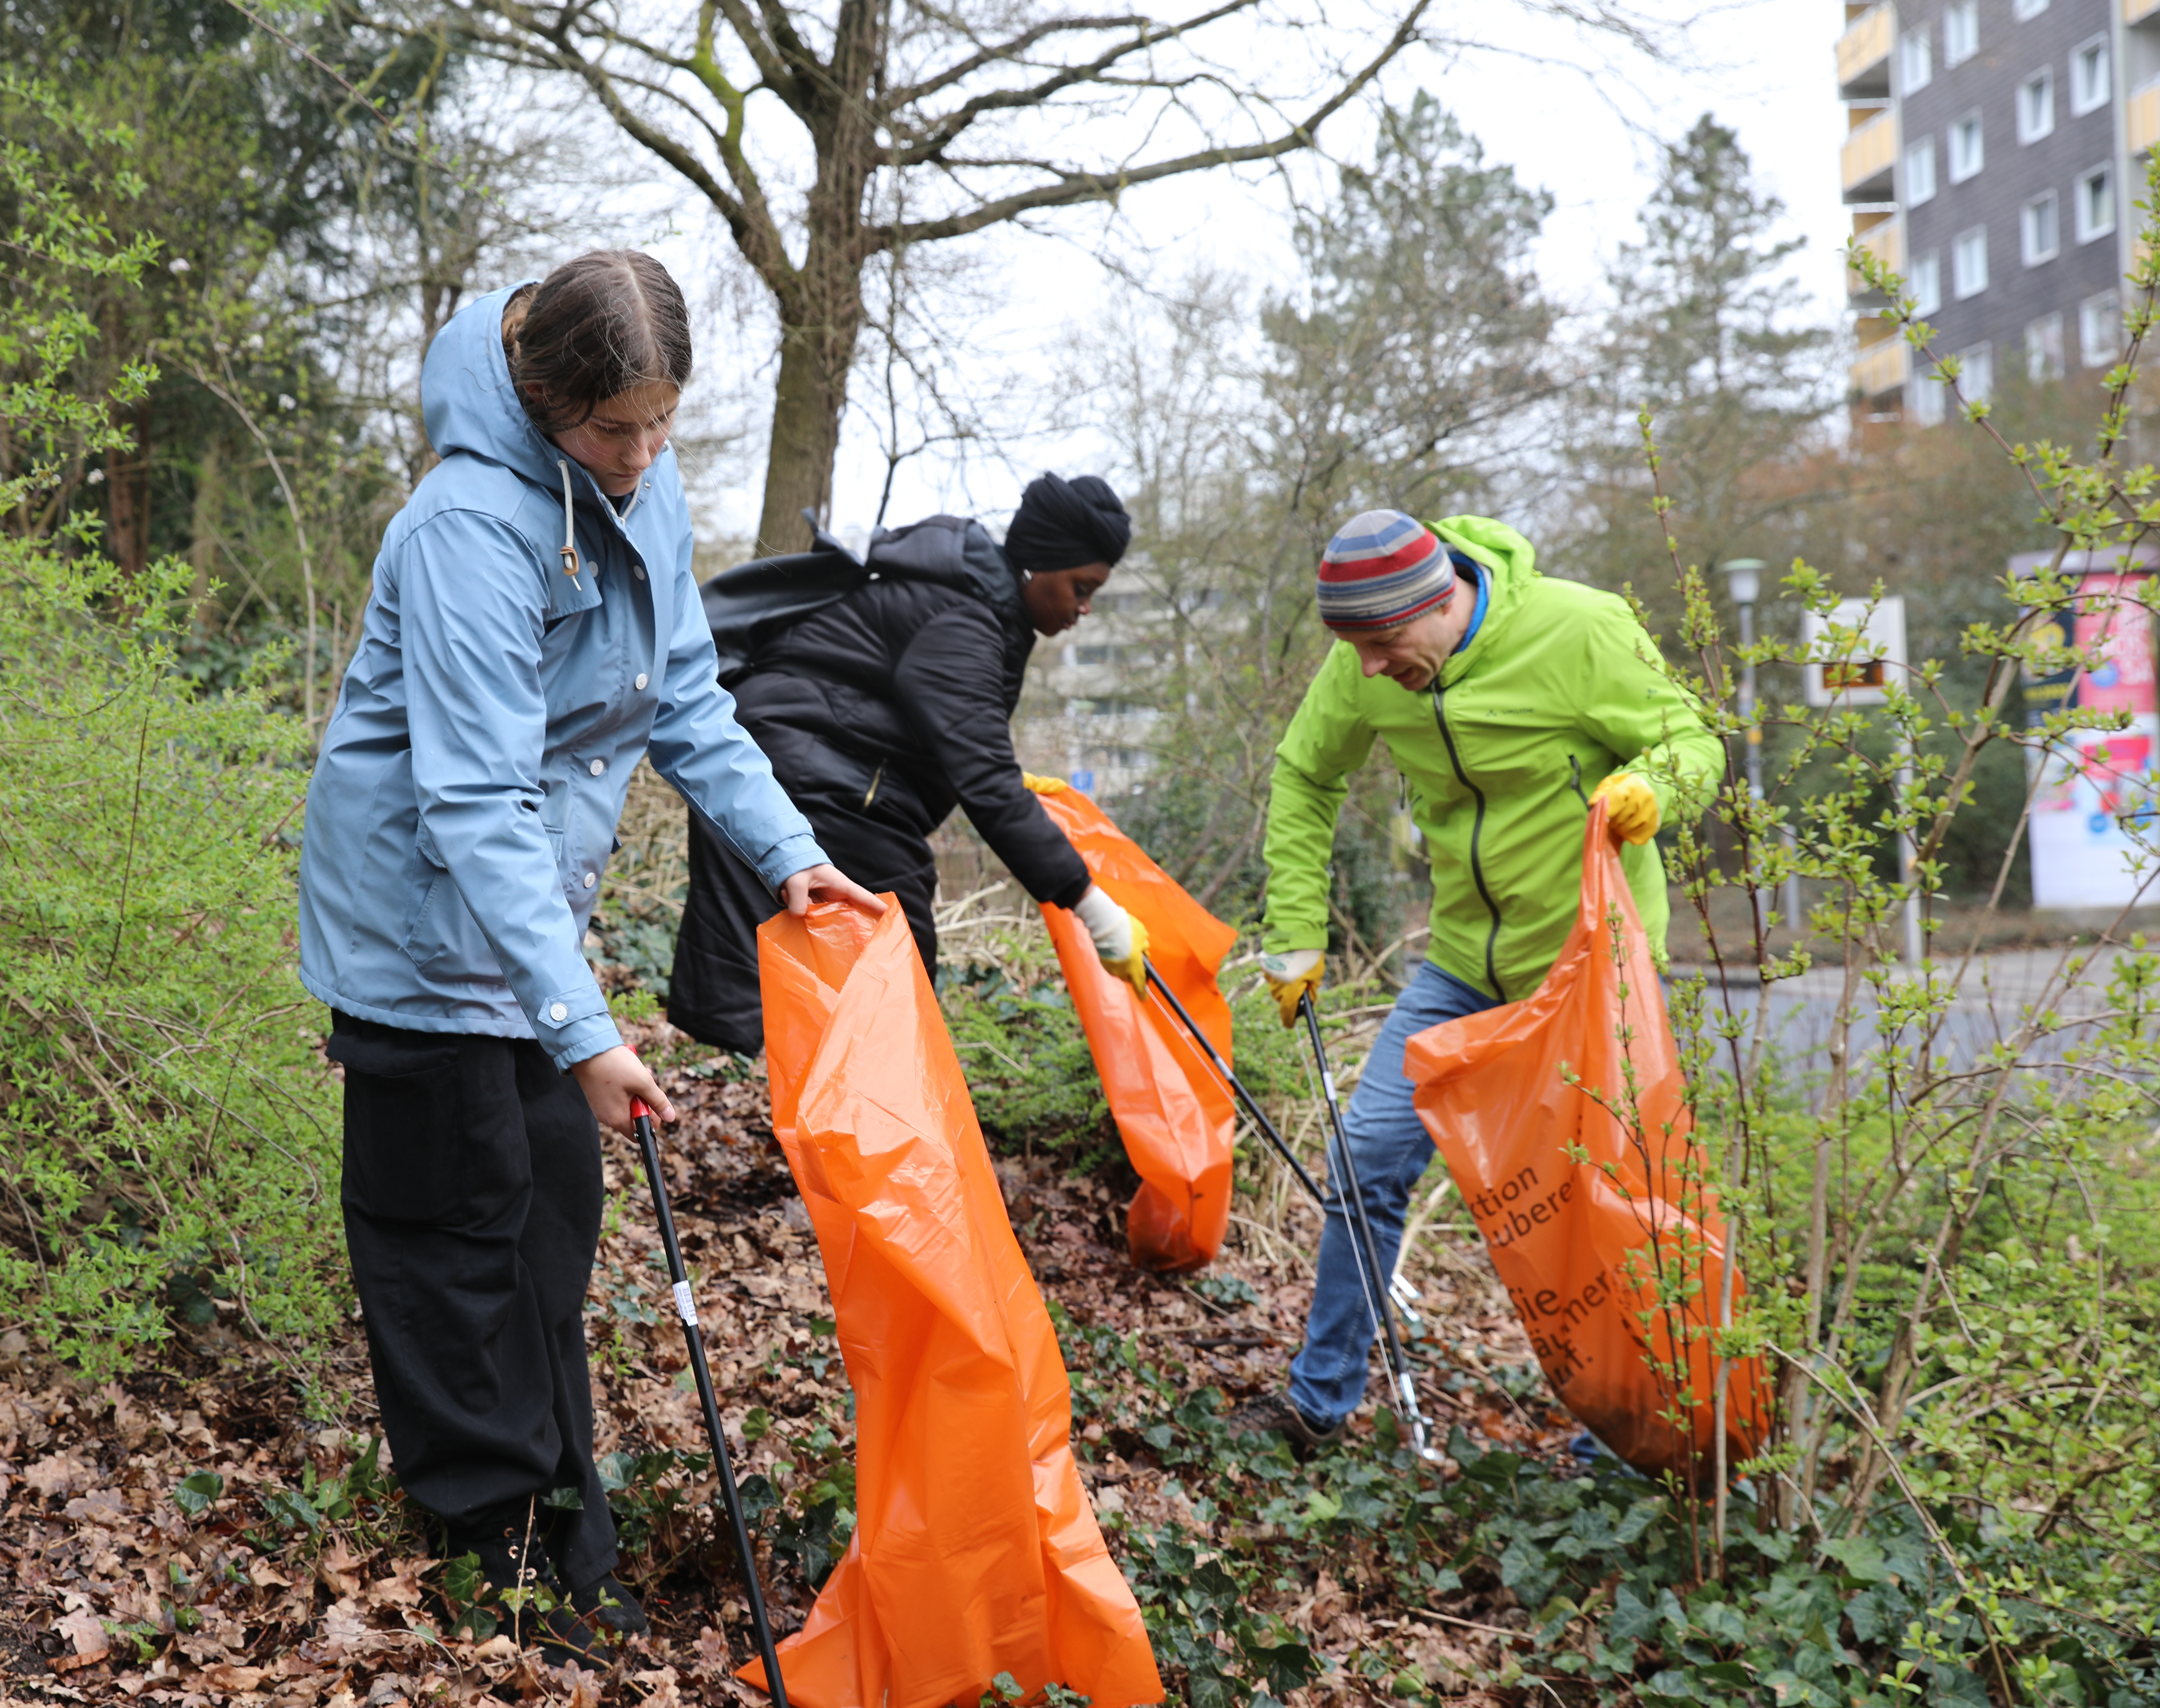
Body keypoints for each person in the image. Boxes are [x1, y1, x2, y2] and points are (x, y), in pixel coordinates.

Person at [297, 251, 880, 1663]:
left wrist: (791, 854)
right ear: (539, 393)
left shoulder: (641, 487)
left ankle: (570, 1535)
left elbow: (687, 698)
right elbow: (473, 805)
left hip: (529, 920)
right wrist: (585, 1029)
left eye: (659, 424)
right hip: (423, 927)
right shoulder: (463, 531)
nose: (639, 456)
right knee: (457, 1240)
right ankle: (487, 1554)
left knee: (552, 1227)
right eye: (612, 430)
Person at [1255, 508, 1724, 1453]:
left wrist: (1653, 791)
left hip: (1592, 971)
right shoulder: (1367, 664)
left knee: (1612, 1202)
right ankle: (1316, 1404)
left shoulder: (1579, 628)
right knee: (1367, 1156)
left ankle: (1625, 1445)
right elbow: (1306, 773)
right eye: (1356, 652)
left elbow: (1692, 739)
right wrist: (1296, 931)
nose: (1372, 671)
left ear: (1440, 602)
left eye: (1385, 645)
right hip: (1464, 964)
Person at [666, 473, 1152, 1054]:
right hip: (814, 780)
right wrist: (1093, 909)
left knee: (873, 1002)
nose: (1085, 608)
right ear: (1038, 567)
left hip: (823, 772)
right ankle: (851, 1136)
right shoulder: (965, 622)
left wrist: (993, 772)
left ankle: (833, 1129)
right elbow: (986, 784)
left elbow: (930, 724)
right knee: (894, 994)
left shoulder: (974, 607)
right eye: (1081, 586)